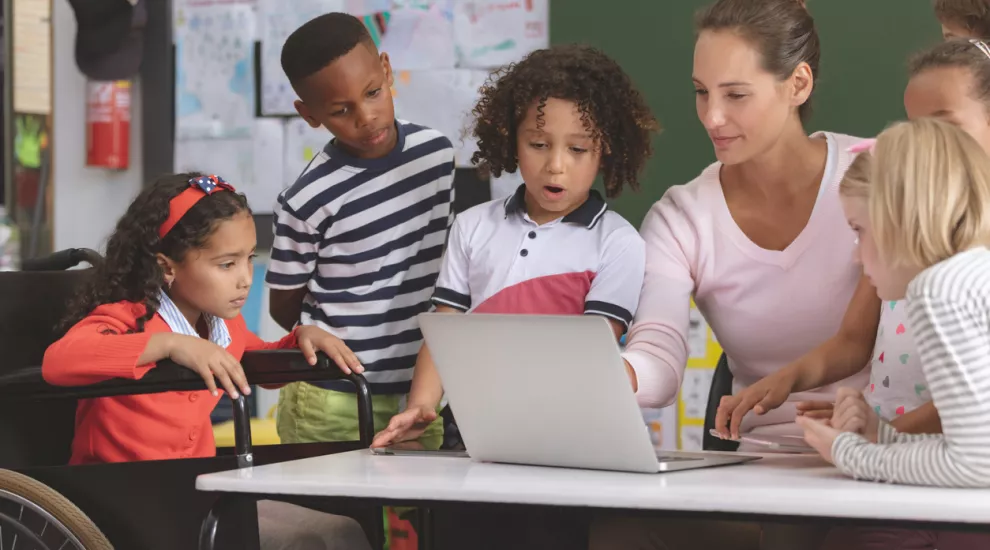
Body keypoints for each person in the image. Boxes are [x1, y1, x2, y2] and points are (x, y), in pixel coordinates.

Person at [591, 0, 868, 548]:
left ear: (798, 84)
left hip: (875, 460)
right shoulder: (682, 215)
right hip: (760, 479)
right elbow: (661, 354)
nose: (711, 116)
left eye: (735, 94)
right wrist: (615, 374)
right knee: (616, 528)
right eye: (701, 91)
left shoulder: (875, 177)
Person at [44, 174, 372, 549]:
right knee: (305, 539)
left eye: (248, 259)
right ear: (168, 268)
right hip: (120, 496)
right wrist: (168, 344)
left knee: (340, 531)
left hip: (198, 487)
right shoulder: (127, 316)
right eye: (226, 264)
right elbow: (60, 360)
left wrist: (299, 339)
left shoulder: (224, 325)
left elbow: (255, 361)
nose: (245, 279)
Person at [371, 44, 657, 450]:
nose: (556, 165)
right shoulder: (471, 227)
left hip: (569, 432)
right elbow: (444, 330)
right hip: (470, 427)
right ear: (511, 140)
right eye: (539, 144)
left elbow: (590, 355)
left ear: (605, 152)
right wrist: (421, 405)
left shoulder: (618, 242)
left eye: (577, 149)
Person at [265, 13, 455, 449]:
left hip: (419, 391)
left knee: (417, 516)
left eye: (372, 93)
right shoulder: (307, 198)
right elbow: (285, 307)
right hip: (331, 399)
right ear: (309, 115)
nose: (366, 117)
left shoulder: (436, 157)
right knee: (333, 518)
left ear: (386, 71)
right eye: (340, 110)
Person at [800, 118, 990, 550]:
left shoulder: (939, 290)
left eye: (859, 231)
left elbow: (977, 463)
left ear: (901, 219)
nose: (855, 255)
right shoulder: (973, 274)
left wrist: (850, 454)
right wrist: (882, 435)